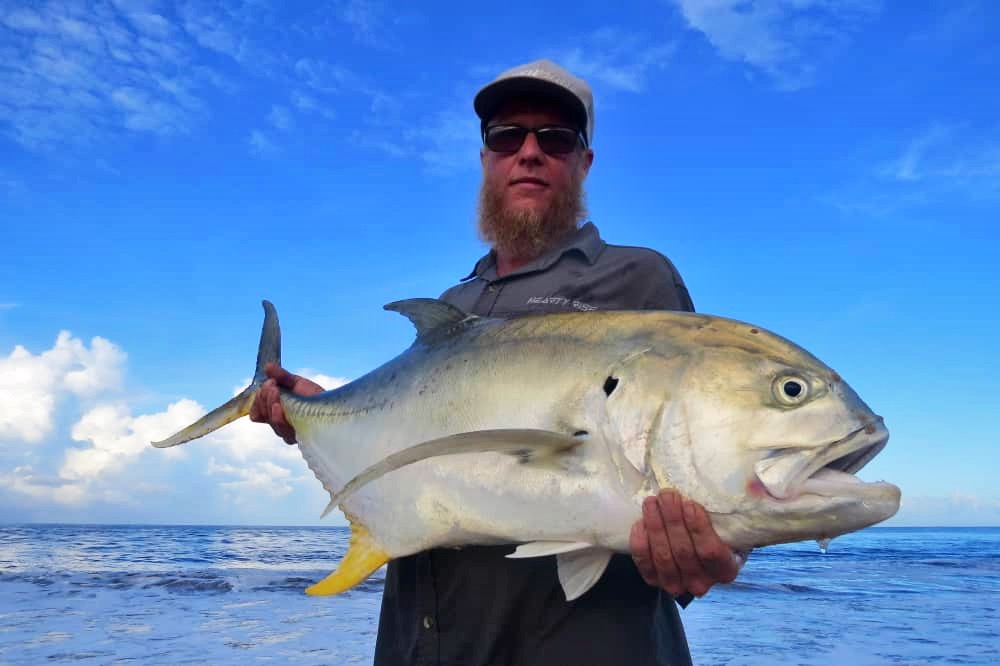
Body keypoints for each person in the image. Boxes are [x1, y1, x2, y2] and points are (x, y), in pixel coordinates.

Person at [251, 59, 744, 665]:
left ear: (584, 163)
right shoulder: (456, 304)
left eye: (556, 138)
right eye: (507, 137)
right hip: (416, 644)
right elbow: (407, 437)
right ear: (486, 160)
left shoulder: (637, 279)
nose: (529, 153)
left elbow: (691, 450)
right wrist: (314, 408)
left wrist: (716, 548)